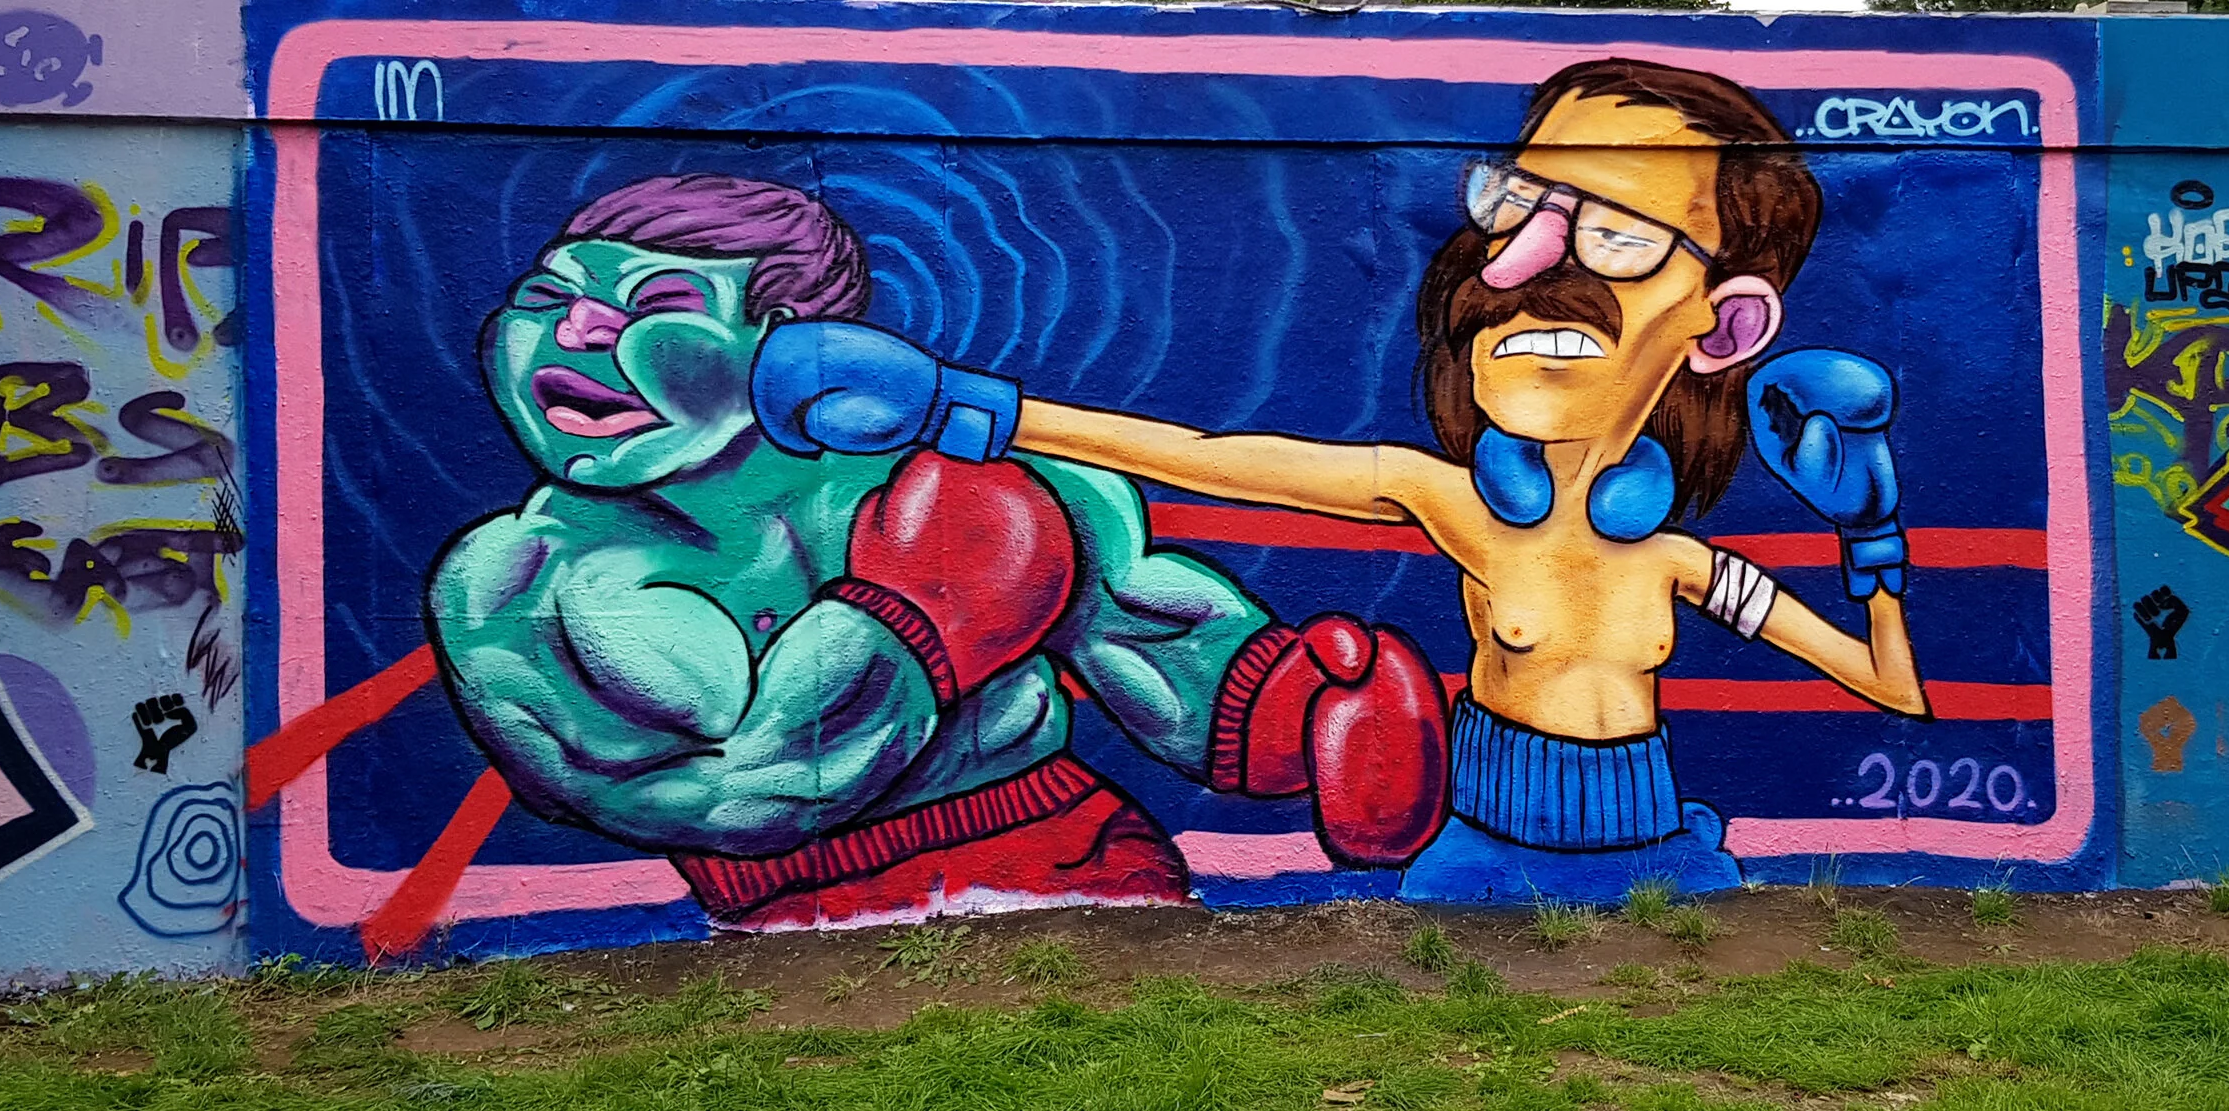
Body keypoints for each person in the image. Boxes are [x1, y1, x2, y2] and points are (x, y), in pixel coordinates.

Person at [752, 59, 1931, 903]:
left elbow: (1892, 688)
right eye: (1519, 207)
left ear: (1723, 325)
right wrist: (977, 407)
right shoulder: (1461, 507)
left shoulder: (1673, 558)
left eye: (1613, 233)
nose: (1524, 265)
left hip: (1661, 848)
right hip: (1486, 851)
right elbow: (1212, 459)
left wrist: (1869, 536)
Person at [426, 174, 1451, 931]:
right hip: (792, 921)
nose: (577, 332)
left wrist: (1294, 711)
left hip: (1083, 860)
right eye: (545, 299)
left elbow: (1142, 622)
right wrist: (909, 622)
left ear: (789, 342)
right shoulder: (515, 581)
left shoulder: (951, 480)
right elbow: (734, 797)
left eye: (657, 305)